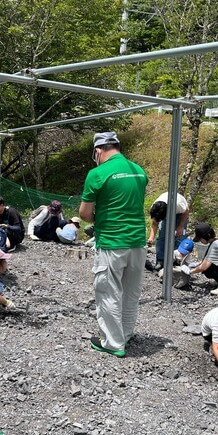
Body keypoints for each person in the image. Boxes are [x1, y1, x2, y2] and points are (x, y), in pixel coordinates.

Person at [79, 131, 148, 357]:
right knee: (130, 292)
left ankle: (112, 343)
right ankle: (125, 334)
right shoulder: (139, 171)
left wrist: (99, 217)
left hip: (112, 242)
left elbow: (85, 214)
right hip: (138, 241)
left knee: (108, 292)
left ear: (98, 150)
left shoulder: (97, 173)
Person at [146, 191, 190, 270]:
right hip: (165, 210)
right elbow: (155, 223)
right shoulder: (155, 209)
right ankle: (160, 261)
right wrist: (151, 238)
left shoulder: (178, 205)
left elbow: (186, 211)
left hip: (181, 213)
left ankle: (177, 262)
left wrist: (180, 226)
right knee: (162, 236)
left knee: (179, 237)